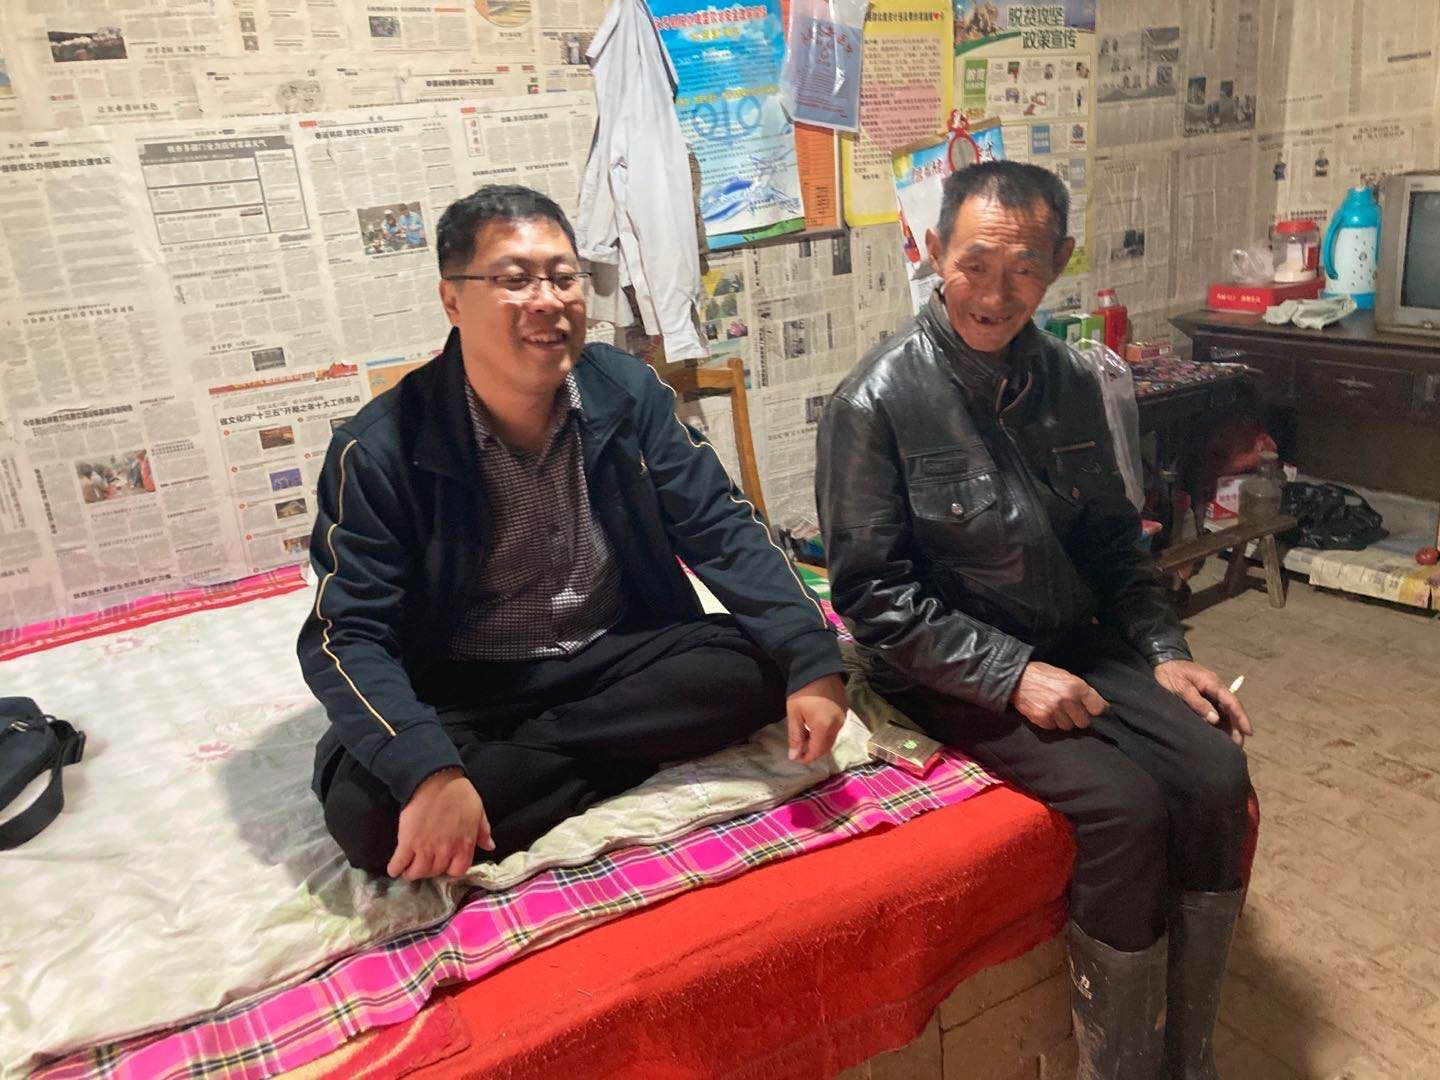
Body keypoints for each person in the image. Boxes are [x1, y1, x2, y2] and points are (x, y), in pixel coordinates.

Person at [815, 161, 1253, 1079]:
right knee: (1126, 808)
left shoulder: (1067, 379)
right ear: (933, 252)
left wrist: (1164, 650)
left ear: (1058, 263)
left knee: (1216, 769)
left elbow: (1112, 541)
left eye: (1024, 269)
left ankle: (1190, 1057)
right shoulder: (874, 402)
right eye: (974, 265)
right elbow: (871, 597)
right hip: (946, 667)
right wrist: (1009, 674)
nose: (995, 294)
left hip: (1073, 641)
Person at [299, 184, 847, 882]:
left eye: (563, 277)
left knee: (768, 665)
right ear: (452, 300)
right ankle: (599, 757)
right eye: (515, 279)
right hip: (464, 687)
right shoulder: (378, 449)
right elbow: (347, 634)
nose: (548, 300)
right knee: (370, 817)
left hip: (615, 651)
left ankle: (525, 768)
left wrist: (810, 657)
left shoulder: (627, 391)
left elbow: (718, 524)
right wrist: (433, 772)